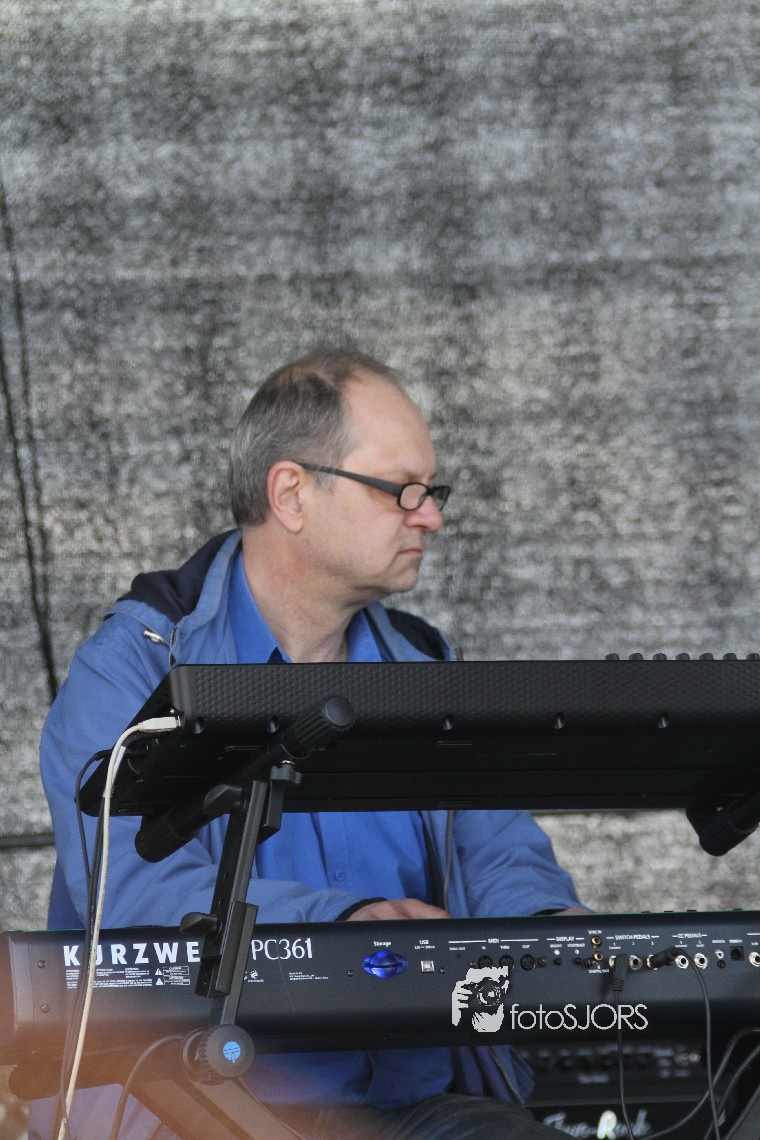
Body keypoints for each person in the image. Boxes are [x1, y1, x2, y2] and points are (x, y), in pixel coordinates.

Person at [38, 348, 584, 1139]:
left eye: (432, 491)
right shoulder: (136, 664)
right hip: (189, 1104)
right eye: (401, 489)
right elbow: (128, 898)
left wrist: (559, 933)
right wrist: (346, 920)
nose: (430, 517)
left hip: (412, 1112)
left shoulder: (425, 669)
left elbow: (495, 852)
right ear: (291, 493)